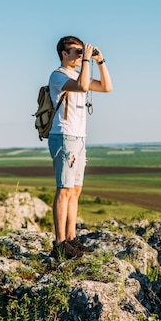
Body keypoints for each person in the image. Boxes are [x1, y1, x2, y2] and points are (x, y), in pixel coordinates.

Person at [47, 36, 113, 259]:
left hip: (79, 137)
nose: (78, 55)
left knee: (75, 190)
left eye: (80, 51)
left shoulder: (77, 73)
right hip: (64, 136)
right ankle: (60, 243)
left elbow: (106, 87)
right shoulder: (58, 75)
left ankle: (72, 238)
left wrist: (100, 61)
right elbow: (84, 86)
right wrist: (86, 60)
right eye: (75, 51)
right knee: (64, 189)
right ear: (64, 54)